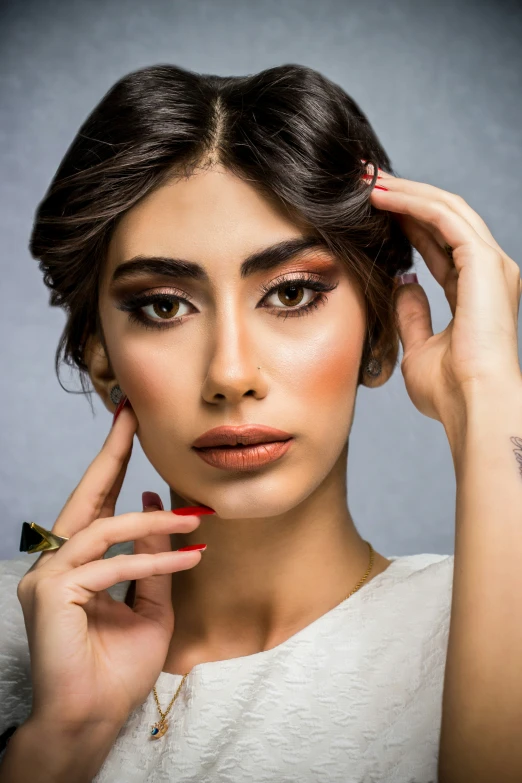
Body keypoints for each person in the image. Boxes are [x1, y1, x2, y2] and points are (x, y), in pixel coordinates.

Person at [0, 63, 520, 783]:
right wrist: (57, 744)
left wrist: (490, 394)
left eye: (292, 291)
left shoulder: (491, 615)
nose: (230, 373)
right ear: (102, 358)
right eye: (162, 304)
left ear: (380, 338)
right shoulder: (14, 628)